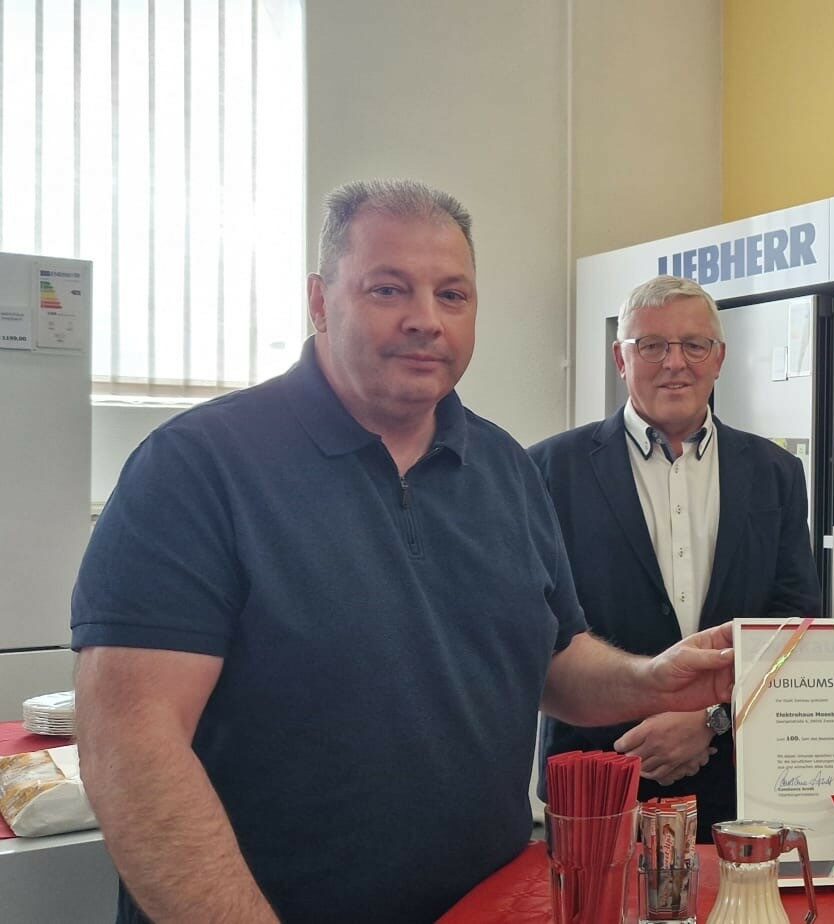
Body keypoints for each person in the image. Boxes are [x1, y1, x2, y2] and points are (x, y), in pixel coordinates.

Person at [70, 181, 735, 924]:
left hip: (485, 909)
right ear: (320, 302)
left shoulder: (506, 469)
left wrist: (653, 680)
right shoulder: (197, 468)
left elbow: (554, 662)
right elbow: (131, 746)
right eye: (388, 289)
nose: (426, 319)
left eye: (452, 295)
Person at [529, 275, 820, 839]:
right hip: (599, 779)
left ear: (720, 358)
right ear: (621, 358)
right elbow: (542, 633)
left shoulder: (775, 473)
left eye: (694, 345)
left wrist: (710, 719)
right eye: (652, 345)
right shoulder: (545, 471)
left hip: (735, 779)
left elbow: (792, 626)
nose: (675, 363)